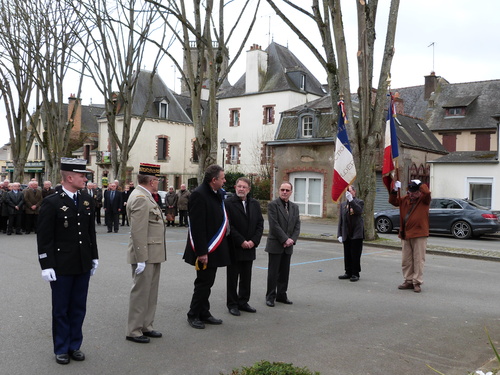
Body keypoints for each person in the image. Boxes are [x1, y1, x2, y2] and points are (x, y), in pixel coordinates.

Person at [37, 158, 98, 365]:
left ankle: (74, 345)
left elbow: (90, 232)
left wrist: (94, 256)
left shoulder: (86, 199)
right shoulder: (52, 202)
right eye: (82, 176)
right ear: (69, 177)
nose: (85, 179)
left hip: (82, 262)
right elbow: (44, 238)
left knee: (79, 306)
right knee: (61, 309)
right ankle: (61, 347)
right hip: (61, 265)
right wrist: (46, 265)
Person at [183, 165, 231, 329]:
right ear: (214, 180)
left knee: (208, 282)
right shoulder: (199, 195)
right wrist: (202, 252)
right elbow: (197, 227)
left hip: (214, 248)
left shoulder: (216, 194)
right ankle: (193, 314)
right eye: (223, 178)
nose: (225, 181)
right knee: (203, 283)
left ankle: (204, 312)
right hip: (205, 249)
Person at [126, 163, 167, 344]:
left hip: (153, 252)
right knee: (141, 293)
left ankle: (146, 326)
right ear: (152, 181)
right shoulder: (141, 198)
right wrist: (141, 258)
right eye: (157, 180)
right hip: (146, 254)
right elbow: (138, 231)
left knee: (150, 292)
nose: (158, 183)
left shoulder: (145, 196)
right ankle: (134, 330)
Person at [225, 177, 264, 316]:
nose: (241, 189)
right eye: (239, 186)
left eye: (244, 187)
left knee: (246, 277)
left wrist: (254, 241)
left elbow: (260, 224)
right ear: (235, 187)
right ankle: (232, 304)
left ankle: (243, 301)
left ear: (249, 189)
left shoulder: (254, 204)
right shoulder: (228, 203)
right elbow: (229, 225)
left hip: (250, 247)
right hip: (235, 247)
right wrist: (241, 241)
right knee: (232, 277)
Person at [389, 179, 431, 293]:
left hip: (419, 234)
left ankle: (416, 282)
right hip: (406, 233)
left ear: (419, 192)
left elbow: (427, 193)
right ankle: (408, 280)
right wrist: (394, 190)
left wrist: (421, 184)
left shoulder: (424, 200)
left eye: (414, 192)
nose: (411, 194)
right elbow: (393, 201)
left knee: (418, 259)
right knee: (406, 259)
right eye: (410, 192)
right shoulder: (405, 200)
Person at [265, 181, 300, 307]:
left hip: (288, 246)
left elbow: (297, 225)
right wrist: (285, 239)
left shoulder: (295, 207)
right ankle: (270, 296)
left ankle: (281, 295)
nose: (284, 192)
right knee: (273, 273)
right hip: (276, 244)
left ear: (291, 192)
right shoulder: (273, 205)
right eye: (282, 190)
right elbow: (274, 225)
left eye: (287, 190)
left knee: (284, 272)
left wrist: (292, 240)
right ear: (279, 191)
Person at [337, 185, 364, 282]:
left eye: (350, 191)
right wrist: (339, 234)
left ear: (354, 192)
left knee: (355, 254)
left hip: (356, 233)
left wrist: (351, 200)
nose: (348, 193)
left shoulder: (359, 202)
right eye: (347, 192)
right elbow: (341, 220)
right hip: (346, 232)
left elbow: (359, 211)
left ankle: (355, 273)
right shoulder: (343, 204)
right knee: (347, 253)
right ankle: (348, 271)